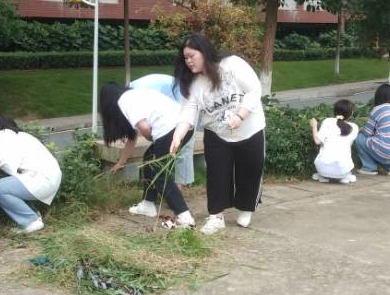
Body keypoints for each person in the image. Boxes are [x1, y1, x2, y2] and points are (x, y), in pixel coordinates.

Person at [168, 33, 266, 235]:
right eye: (185, 58)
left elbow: (255, 90)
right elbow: (188, 112)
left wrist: (240, 115)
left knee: (250, 170)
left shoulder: (232, 65)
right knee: (217, 174)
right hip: (217, 132)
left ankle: (246, 208)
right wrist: (177, 136)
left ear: (204, 52)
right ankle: (216, 217)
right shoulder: (194, 83)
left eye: (191, 56)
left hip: (250, 127)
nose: (188, 61)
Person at [100, 82, 195, 227]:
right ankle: (147, 204)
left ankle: (184, 217)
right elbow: (133, 138)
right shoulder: (136, 94)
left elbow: (144, 128)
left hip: (169, 129)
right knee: (149, 159)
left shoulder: (124, 100)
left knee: (160, 176)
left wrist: (152, 137)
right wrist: (121, 162)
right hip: (186, 127)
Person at [0, 109, 62, 234]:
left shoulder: (1, 136)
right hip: (49, 177)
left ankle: (30, 221)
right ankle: (34, 215)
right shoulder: (14, 133)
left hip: (42, 179)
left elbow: (7, 165)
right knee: (12, 182)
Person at [129, 73, 196, 187]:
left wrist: (157, 138)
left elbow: (143, 129)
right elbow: (135, 131)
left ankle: (180, 185)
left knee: (184, 145)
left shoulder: (131, 98)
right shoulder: (129, 94)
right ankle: (161, 185)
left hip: (182, 96)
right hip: (170, 96)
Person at [354, 83, 390, 176]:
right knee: (382, 143)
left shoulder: (377, 110)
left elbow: (367, 133)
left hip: (385, 149)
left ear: (378, 96)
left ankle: (369, 168)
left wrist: (360, 129)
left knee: (360, 138)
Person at [309, 99, 358, 183]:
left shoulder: (328, 122)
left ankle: (325, 176)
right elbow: (349, 146)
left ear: (334, 111)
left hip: (322, 168)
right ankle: (342, 177)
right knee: (346, 171)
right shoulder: (354, 127)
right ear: (351, 113)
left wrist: (314, 126)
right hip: (343, 169)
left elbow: (317, 141)